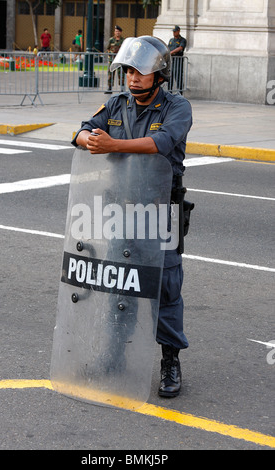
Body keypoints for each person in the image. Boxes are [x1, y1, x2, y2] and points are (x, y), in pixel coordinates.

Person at [73, 36, 192, 398]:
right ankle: (114, 356)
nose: (132, 77)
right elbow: (79, 131)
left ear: (158, 75)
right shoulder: (115, 104)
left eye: (139, 71)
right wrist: (88, 140)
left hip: (160, 213)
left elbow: (161, 144)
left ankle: (170, 361)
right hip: (121, 211)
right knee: (120, 283)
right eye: (128, 71)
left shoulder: (177, 107)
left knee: (165, 289)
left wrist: (112, 144)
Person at [105, 25, 124, 94]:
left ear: (121, 32)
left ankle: (122, 88)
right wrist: (110, 54)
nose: (117, 33)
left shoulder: (123, 40)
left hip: (120, 60)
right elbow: (108, 48)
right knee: (110, 73)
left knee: (121, 74)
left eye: (118, 31)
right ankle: (109, 88)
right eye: (116, 31)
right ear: (114, 32)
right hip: (112, 60)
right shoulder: (111, 40)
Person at [167, 26, 187, 94]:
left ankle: (180, 93)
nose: (174, 33)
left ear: (179, 31)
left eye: (175, 31)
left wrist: (171, 52)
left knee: (178, 76)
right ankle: (169, 92)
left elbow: (180, 47)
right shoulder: (171, 40)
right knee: (170, 77)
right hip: (171, 61)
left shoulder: (182, 40)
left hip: (178, 61)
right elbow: (167, 48)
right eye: (173, 31)